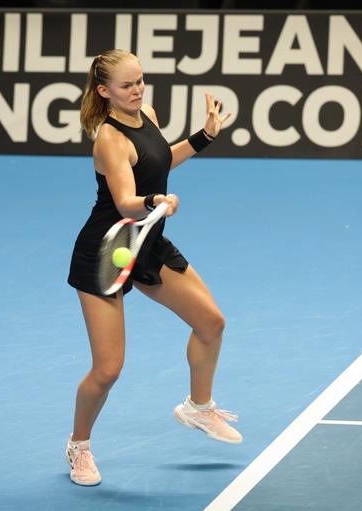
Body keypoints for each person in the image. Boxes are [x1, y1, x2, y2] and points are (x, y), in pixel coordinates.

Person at [65, 49, 241, 487]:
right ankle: (78, 446)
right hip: (107, 250)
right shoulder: (108, 138)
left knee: (211, 323)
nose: (137, 90)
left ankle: (198, 408)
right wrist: (155, 202)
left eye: (140, 80)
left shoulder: (148, 116)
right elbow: (126, 200)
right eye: (126, 85)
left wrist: (204, 136)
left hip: (146, 242)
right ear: (104, 91)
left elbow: (160, 160)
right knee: (107, 370)